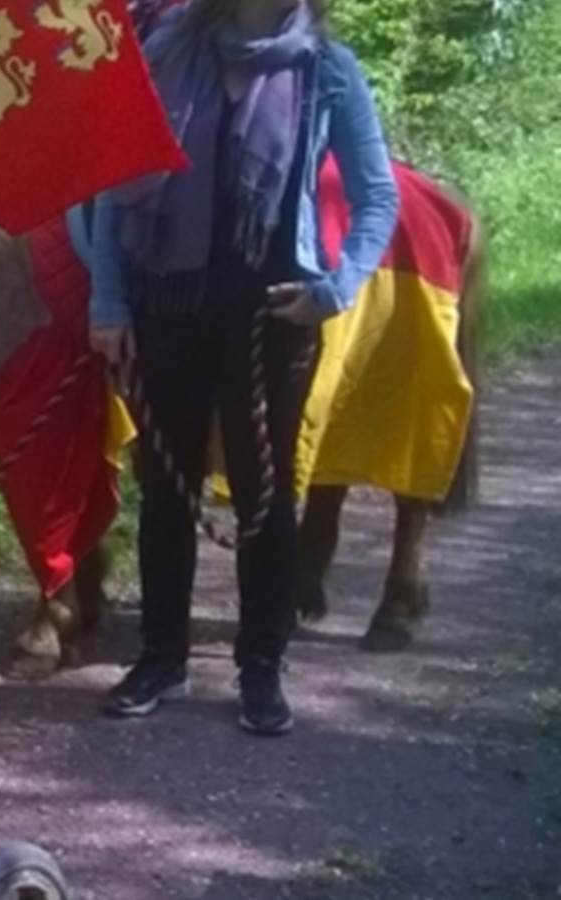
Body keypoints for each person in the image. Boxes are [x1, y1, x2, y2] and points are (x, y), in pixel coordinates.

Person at [83, 0, 398, 735]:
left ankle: (261, 667)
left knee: (266, 494)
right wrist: (108, 303)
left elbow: (375, 194)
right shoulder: (161, 51)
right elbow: (111, 181)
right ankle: (162, 657)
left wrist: (338, 287)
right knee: (165, 486)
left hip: (274, 317)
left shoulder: (329, 73)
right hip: (166, 300)